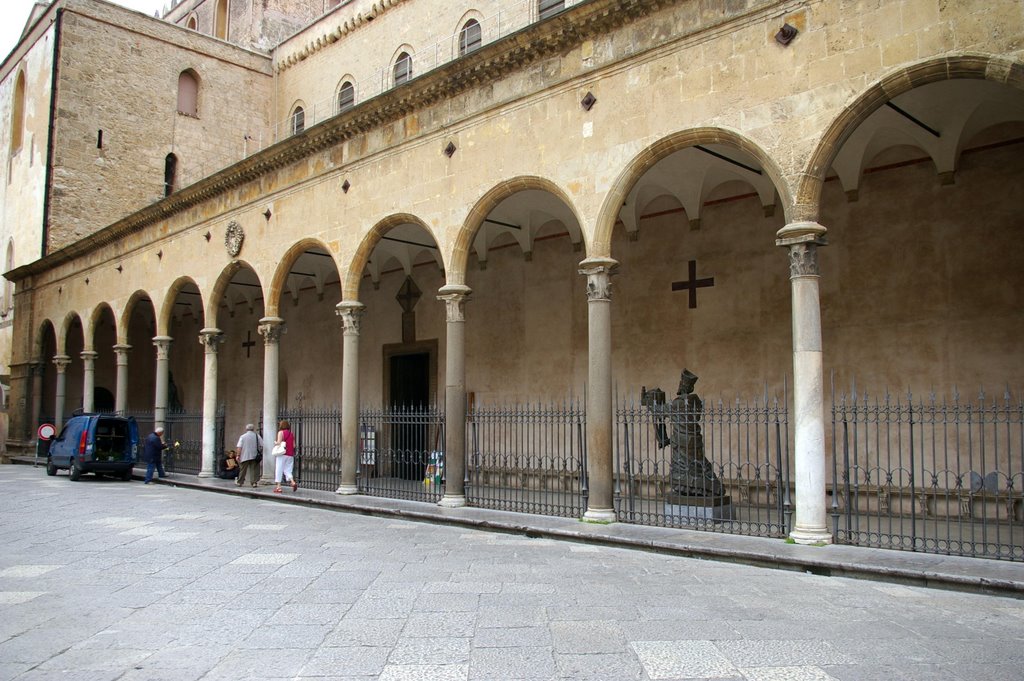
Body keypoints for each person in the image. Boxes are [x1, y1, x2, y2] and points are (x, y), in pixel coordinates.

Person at [235, 424, 263, 488]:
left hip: (244, 455)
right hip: (254, 455)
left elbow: (239, 447)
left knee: (243, 469)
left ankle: (240, 482)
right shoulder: (257, 436)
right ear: (253, 429)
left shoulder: (242, 436)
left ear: (246, 429)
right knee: (254, 469)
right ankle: (254, 482)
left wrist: (238, 455)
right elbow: (262, 444)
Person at [273, 419, 297, 493]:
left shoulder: (281, 432)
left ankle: (278, 487)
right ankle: (292, 482)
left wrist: (275, 442)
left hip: (282, 454)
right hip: (290, 454)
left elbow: (279, 443)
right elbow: (294, 445)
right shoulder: (291, 433)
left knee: (279, 469)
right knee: (288, 470)